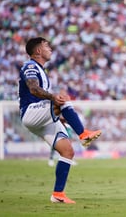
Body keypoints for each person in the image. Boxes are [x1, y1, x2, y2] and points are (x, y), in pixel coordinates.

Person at [18, 37, 101, 204]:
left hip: (42, 118)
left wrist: (60, 117)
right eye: (47, 46)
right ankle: (83, 133)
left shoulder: (42, 70)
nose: (51, 49)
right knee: (62, 98)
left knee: (67, 151)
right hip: (30, 114)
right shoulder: (30, 66)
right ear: (38, 51)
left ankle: (58, 194)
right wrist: (53, 98)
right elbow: (33, 89)